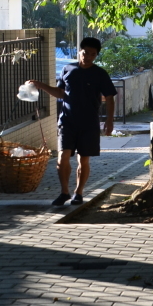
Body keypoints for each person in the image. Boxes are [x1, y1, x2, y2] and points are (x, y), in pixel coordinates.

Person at [27, 37, 116, 207]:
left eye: (92, 54)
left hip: (89, 123)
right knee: (62, 157)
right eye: (85, 52)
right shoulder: (68, 69)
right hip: (67, 121)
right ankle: (64, 192)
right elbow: (60, 93)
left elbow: (110, 98)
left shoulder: (100, 74)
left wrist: (109, 121)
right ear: (79, 51)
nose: (88, 56)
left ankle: (79, 193)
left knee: (83, 160)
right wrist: (40, 85)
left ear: (96, 56)